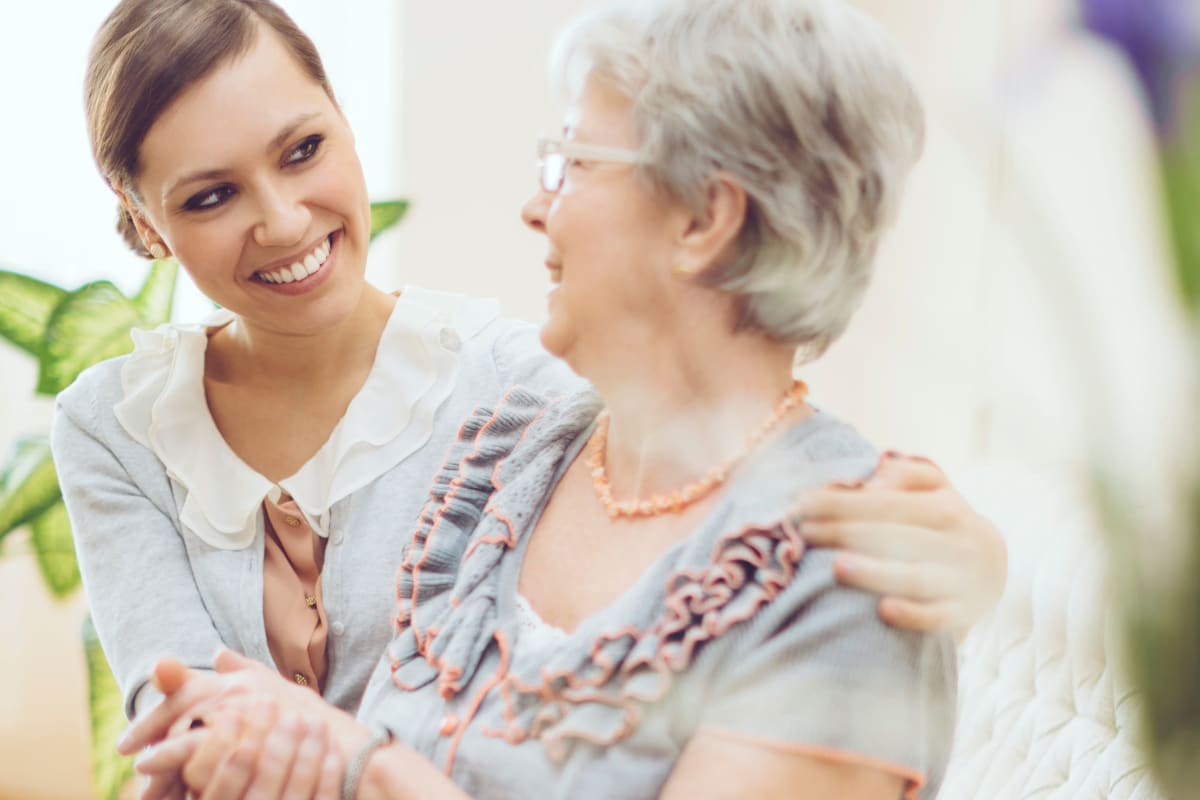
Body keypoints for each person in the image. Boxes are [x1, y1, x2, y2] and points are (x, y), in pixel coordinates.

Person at [57, 0, 999, 755]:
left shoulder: (510, 394)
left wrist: (975, 559)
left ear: (344, 122)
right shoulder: (113, 423)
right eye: (211, 196)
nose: (284, 219)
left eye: (303, 149)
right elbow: (179, 706)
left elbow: (734, 425)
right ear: (143, 219)